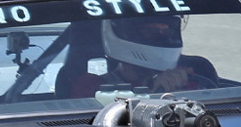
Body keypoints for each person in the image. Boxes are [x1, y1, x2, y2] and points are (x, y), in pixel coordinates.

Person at [69, 16, 204, 97]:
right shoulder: (92, 87)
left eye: (167, 30)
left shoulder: (188, 76)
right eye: (152, 30)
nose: (163, 36)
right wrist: (154, 94)